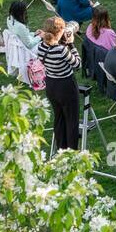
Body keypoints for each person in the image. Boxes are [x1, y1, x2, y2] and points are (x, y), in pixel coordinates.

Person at [38, 16, 82, 151]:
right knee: (71, 120)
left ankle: (60, 148)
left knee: (59, 117)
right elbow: (78, 64)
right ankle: (72, 153)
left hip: (51, 85)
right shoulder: (61, 50)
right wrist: (71, 44)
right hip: (66, 86)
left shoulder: (40, 47)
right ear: (60, 32)